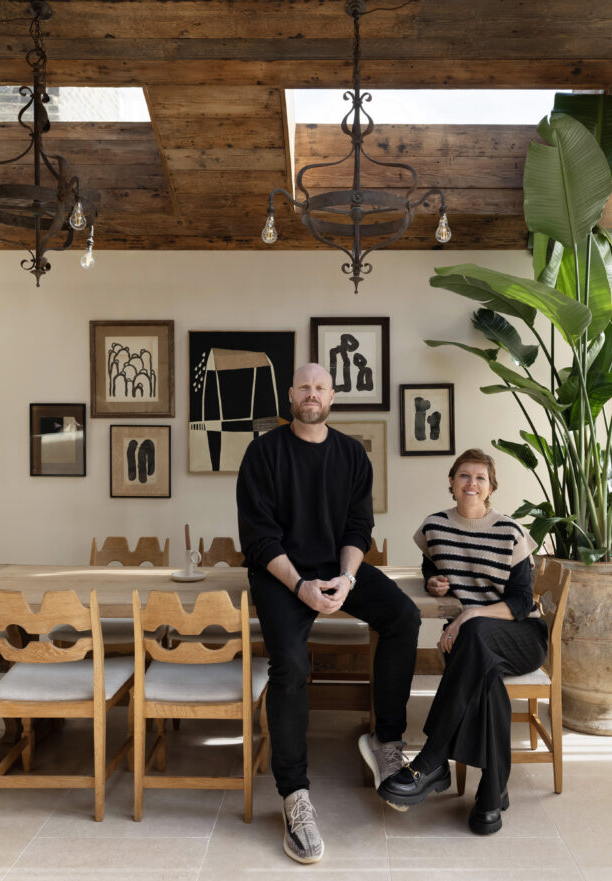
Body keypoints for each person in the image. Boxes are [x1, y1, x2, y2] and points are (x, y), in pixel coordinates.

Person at [236, 362, 420, 864]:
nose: (312, 394)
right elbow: (257, 538)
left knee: (403, 617)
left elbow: (358, 528)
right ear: (291, 395)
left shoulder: (351, 455)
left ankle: (385, 740)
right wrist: (300, 586)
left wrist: (347, 578)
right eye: (304, 387)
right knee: (291, 665)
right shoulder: (263, 452)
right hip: (281, 575)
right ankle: (295, 796)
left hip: (335, 570)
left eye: (321, 387)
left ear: (332, 397)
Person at [377, 448, 548, 835]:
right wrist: (432, 583)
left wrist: (470, 614)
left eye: (480, 478)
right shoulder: (435, 527)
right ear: (452, 483)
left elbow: (522, 602)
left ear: (491, 488)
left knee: (473, 635)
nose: (472, 483)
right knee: (485, 680)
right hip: (472, 646)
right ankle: (491, 793)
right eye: (464, 476)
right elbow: (432, 568)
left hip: (520, 637)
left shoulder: (510, 532)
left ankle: (432, 758)